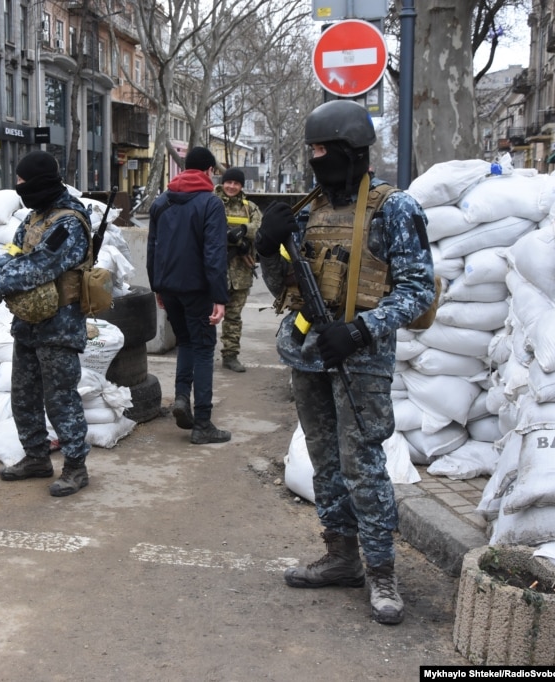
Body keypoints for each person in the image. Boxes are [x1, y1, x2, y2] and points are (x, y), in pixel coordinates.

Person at [255, 100, 435, 625]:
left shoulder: (395, 208)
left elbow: (417, 291)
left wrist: (360, 329)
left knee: (363, 464)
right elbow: (281, 289)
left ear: (351, 152)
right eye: (311, 150)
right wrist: (268, 248)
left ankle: (381, 571)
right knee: (325, 462)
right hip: (308, 354)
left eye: (322, 151)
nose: (315, 160)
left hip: (361, 359)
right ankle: (340, 557)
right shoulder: (308, 212)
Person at [0, 151, 93, 497]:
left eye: (23, 183)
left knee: (60, 399)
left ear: (40, 182)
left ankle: (75, 466)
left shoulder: (68, 222)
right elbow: (13, 252)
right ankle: (37, 457)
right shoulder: (34, 218)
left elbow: (41, 265)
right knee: (23, 395)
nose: (19, 188)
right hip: (28, 320)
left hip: (60, 324)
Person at [147, 147, 230, 445]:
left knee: (186, 343)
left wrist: (157, 286)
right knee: (205, 348)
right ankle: (203, 423)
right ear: (208, 171)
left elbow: (153, 248)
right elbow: (215, 254)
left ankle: (182, 397)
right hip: (198, 291)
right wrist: (219, 297)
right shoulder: (211, 204)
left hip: (169, 288)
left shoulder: (162, 201)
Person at [214, 167, 262, 373]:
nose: (231, 186)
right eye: (229, 182)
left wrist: (243, 232)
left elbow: (260, 227)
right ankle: (203, 354)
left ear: (241, 186)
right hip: (215, 270)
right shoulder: (212, 202)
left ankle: (230, 355)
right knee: (206, 316)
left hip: (241, 272)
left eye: (236, 183)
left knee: (234, 317)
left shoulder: (249, 207)